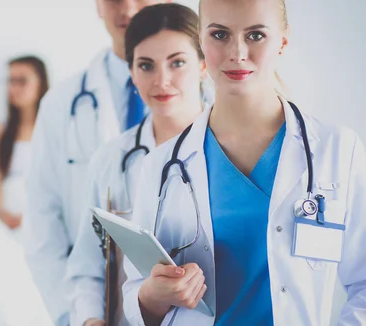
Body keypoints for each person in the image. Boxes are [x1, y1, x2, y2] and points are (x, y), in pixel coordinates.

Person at [122, 0, 366, 325]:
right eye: (220, 34)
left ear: (282, 41)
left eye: (255, 35)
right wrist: (154, 294)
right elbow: (137, 295)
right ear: (201, 43)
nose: (237, 52)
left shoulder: (337, 150)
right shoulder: (162, 165)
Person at [21, 1, 166, 324]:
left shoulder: (209, 102)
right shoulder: (61, 102)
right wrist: (68, 312)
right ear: (98, 6)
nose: (128, 8)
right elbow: (42, 216)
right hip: (91, 304)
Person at [66, 4, 209, 326]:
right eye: (146, 65)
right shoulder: (112, 159)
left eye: (178, 63)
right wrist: (90, 320)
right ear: (131, 71)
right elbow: (86, 268)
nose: (162, 80)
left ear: (203, 64)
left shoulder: (231, 150)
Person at [0, 56, 48, 237]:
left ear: (40, 83)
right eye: (10, 81)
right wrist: (4, 216)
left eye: (21, 81)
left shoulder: (52, 129)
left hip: (40, 218)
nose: (13, 88)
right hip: (5, 220)